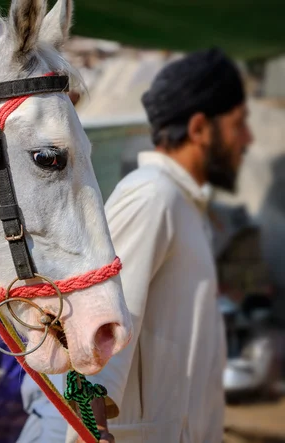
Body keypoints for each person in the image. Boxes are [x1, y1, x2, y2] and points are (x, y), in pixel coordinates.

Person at [18, 47, 253, 443]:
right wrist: (91, 431)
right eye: (238, 124)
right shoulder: (153, 196)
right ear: (199, 129)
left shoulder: (184, 206)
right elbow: (92, 324)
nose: (246, 139)